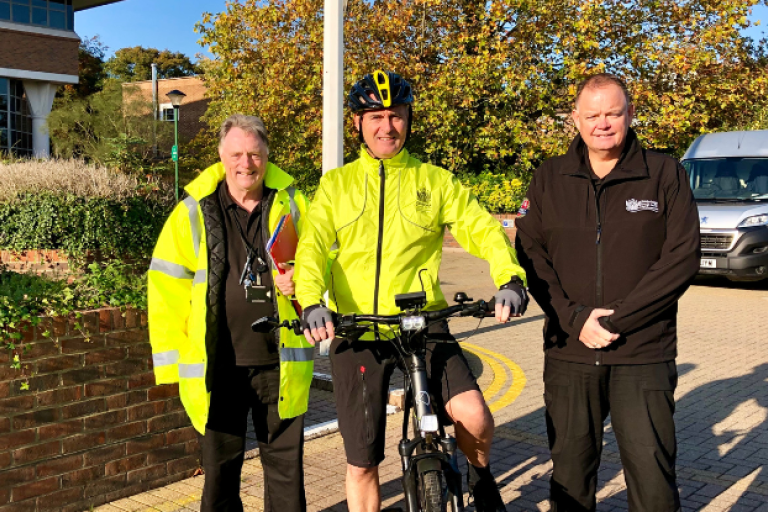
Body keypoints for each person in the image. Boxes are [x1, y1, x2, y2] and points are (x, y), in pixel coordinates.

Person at [294, 70, 528, 512]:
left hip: (423, 321)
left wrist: (509, 279)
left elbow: (482, 230)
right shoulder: (336, 186)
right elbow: (311, 250)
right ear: (358, 123)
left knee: (475, 416)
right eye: (376, 116)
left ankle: (480, 477)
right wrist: (310, 302)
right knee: (361, 461)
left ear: (408, 119)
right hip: (357, 326)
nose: (387, 126)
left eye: (396, 115)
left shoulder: (435, 181)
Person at [514, 73, 700, 512]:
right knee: (570, 479)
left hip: (643, 353)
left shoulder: (663, 173)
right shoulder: (550, 177)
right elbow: (531, 252)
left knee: (653, 482)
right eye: (592, 114)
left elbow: (681, 258)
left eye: (613, 113)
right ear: (575, 119)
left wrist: (616, 321)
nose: (603, 123)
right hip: (570, 353)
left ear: (630, 115)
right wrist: (575, 318)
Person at [148, 114, 315, 512]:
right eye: (237, 153)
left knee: (286, 471)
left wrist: (303, 278)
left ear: (267, 156)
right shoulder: (192, 211)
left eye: (255, 154)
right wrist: (171, 365)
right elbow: (165, 288)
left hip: (281, 362)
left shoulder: (294, 204)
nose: (247, 163)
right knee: (220, 472)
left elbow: (322, 260)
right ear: (221, 155)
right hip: (218, 363)